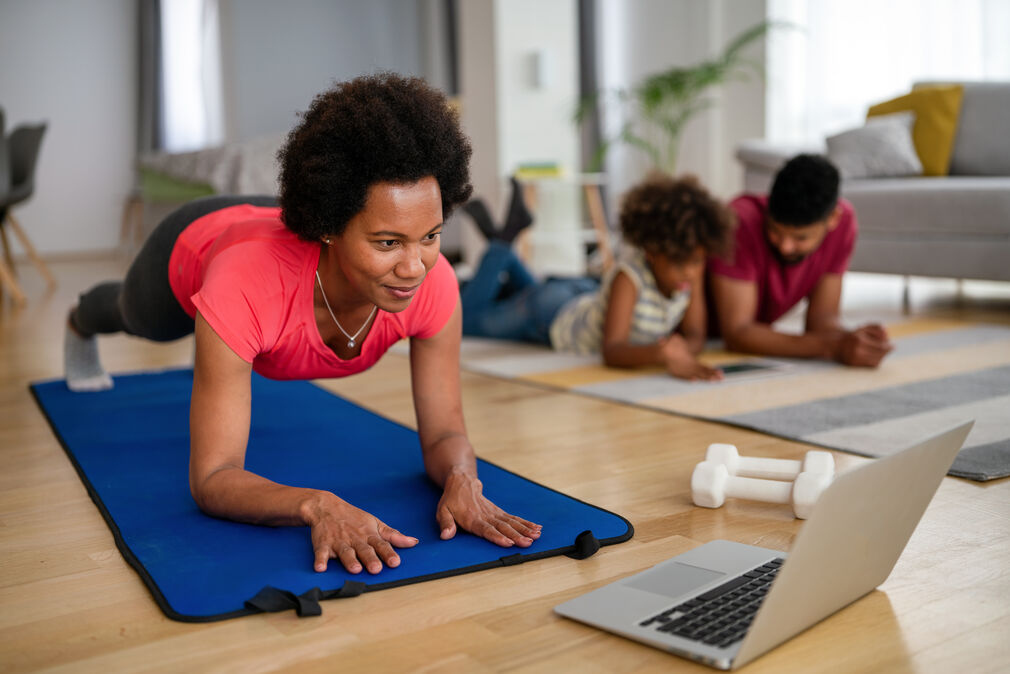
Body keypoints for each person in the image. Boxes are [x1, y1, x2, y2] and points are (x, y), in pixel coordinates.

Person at [64, 73, 541, 576]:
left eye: (430, 236)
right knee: (135, 318)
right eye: (387, 243)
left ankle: (225, 343)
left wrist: (463, 478)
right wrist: (316, 504)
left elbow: (444, 430)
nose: (414, 267)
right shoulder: (245, 286)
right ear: (330, 229)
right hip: (200, 240)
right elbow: (213, 477)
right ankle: (80, 319)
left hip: (295, 238)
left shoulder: (434, 283)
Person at [460, 173, 735, 381]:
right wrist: (663, 353)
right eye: (679, 262)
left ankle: (502, 248)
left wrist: (681, 351)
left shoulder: (691, 277)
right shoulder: (629, 278)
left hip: (578, 295)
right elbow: (612, 350)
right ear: (652, 252)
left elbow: (696, 335)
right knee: (465, 321)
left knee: (518, 293)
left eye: (697, 261)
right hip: (551, 315)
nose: (689, 271)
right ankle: (504, 240)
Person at [708, 154, 893, 367]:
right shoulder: (740, 221)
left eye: (800, 237)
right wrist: (832, 346)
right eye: (775, 230)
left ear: (833, 219)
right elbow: (738, 333)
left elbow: (822, 319)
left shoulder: (845, 224)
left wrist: (853, 339)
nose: (785, 246)